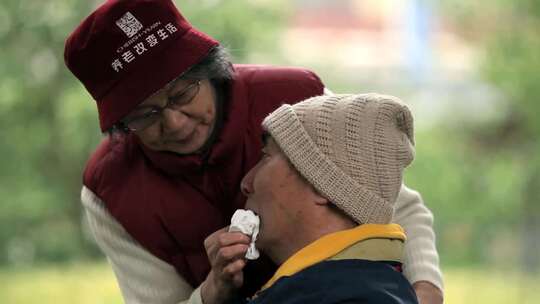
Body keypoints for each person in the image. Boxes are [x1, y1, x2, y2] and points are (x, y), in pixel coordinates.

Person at [63, 0, 443, 303]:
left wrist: (425, 290)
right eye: (145, 115)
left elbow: (391, 202)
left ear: (209, 68)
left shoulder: (293, 99)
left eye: (183, 95)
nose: (175, 124)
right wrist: (213, 291)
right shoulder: (109, 189)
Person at [204, 93, 420, 304]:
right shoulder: (347, 289)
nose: (246, 183)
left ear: (321, 186)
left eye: (266, 156)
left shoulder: (355, 297)